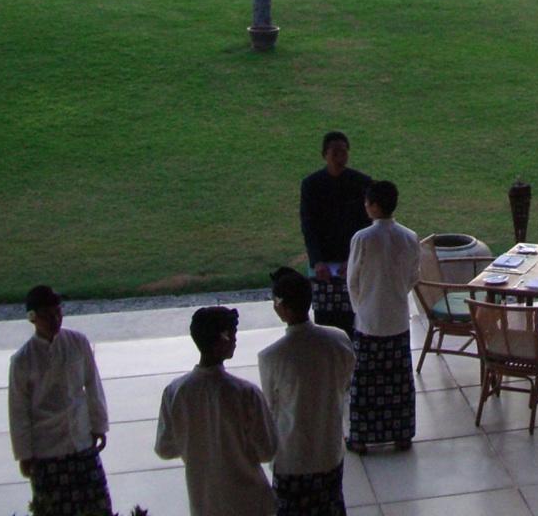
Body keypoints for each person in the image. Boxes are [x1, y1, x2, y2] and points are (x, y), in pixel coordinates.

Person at [154, 305, 277, 516]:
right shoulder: (246, 393)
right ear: (223, 339)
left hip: (204, 502)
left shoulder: (175, 392)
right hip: (250, 503)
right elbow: (267, 451)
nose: (235, 340)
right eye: (233, 334)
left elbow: (165, 448)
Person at [8, 285, 113, 516]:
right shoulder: (22, 360)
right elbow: (18, 411)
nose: (55, 320)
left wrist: (99, 425)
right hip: (47, 450)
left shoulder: (78, 342)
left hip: (81, 441)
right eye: (47, 315)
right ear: (33, 318)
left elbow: (93, 385)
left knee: (97, 507)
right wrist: (24, 454)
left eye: (58, 312)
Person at [259, 268, 356, 515]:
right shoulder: (338, 339)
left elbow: (270, 406)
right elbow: (346, 380)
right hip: (329, 449)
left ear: (282, 307)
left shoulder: (272, 356)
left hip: (292, 457)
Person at [344, 179, 421, 453]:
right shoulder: (410, 236)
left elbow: (352, 279)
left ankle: (361, 437)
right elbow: (413, 276)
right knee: (399, 380)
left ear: (374, 206)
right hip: (398, 318)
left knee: (365, 380)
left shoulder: (362, 238)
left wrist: (361, 308)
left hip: (369, 320)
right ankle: (402, 434)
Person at [298, 131, 371, 335]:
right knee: (325, 320)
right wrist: (317, 261)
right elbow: (308, 225)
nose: (340, 157)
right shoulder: (311, 184)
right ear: (325, 154)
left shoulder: (361, 183)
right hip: (324, 260)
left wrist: (353, 260)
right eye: (335, 152)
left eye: (344, 152)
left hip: (352, 257)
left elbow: (366, 225)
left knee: (354, 318)